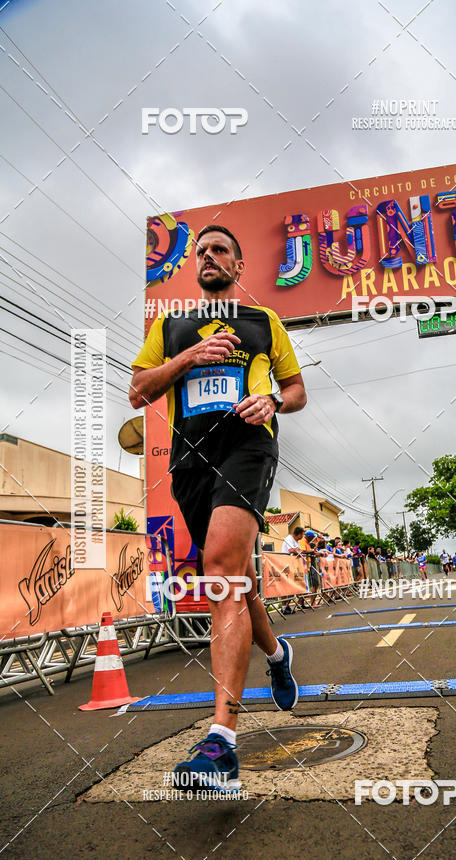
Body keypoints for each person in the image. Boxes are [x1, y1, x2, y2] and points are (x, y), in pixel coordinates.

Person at [129, 224, 307, 792]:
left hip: (248, 446)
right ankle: (277, 655)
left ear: (239, 265)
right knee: (239, 579)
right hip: (191, 460)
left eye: (220, 250)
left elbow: (297, 390)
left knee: (222, 574)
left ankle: (221, 743)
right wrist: (189, 358)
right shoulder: (170, 326)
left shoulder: (264, 322)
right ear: (195, 267)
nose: (208, 257)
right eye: (201, 251)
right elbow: (138, 390)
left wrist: (272, 400)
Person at [281, 526, 305, 615]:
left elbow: (298, 550)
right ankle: (284, 607)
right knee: (285, 586)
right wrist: (300, 551)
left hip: (293, 565)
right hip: (286, 564)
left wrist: (300, 551)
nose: (302, 537)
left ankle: (287, 605)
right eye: (302, 535)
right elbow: (291, 550)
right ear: (298, 534)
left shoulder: (296, 541)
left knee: (291, 586)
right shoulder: (289, 538)